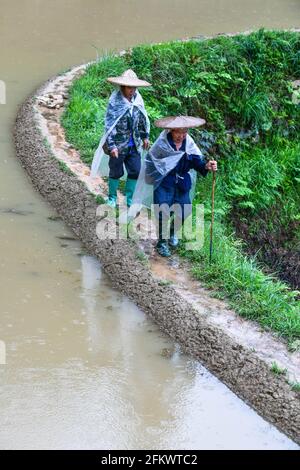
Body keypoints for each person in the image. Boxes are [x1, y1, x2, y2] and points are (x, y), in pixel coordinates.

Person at [130, 116, 217, 257]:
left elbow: (198, 164)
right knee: (163, 213)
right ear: (171, 130)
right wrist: (154, 178)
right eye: (178, 133)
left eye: (184, 133)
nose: (181, 136)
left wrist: (207, 166)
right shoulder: (162, 144)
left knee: (184, 212)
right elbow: (151, 162)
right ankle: (162, 242)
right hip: (164, 184)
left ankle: (171, 233)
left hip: (182, 185)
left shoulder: (189, 144)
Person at [91, 69, 151, 208]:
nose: (132, 90)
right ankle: (112, 198)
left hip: (134, 144)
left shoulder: (137, 100)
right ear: (123, 87)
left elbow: (141, 118)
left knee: (135, 170)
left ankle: (129, 199)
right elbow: (110, 126)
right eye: (129, 87)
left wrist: (145, 136)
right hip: (118, 144)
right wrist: (112, 146)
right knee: (116, 171)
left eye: (134, 87)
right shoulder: (115, 102)